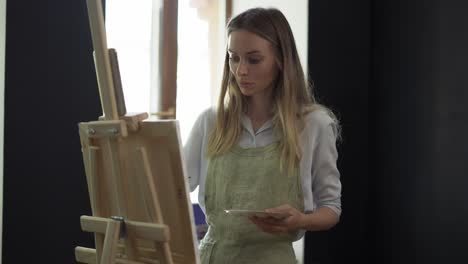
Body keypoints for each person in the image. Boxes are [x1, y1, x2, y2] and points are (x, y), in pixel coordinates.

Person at [183, 7, 342, 264]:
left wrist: (301, 221)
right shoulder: (211, 122)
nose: (241, 70)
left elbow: (331, 208)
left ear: (281, 60)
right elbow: (172, 189)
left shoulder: (314, 125)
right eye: (233, 58)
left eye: (253, 60)